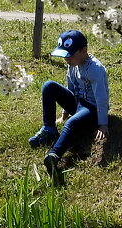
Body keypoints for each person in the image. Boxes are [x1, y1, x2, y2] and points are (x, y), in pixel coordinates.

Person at [28, 29, 110, 178]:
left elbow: (102, 98)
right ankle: (49, 129)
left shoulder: (95, 70)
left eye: (69, 55)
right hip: (77, 102)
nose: (66, 59)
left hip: (92, 109)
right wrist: (64, 113)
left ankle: (54, 155)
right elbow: (71, 88)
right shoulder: (72, 64)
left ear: (83, 50)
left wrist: (103, 123)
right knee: (49, 86)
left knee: (71, 123)